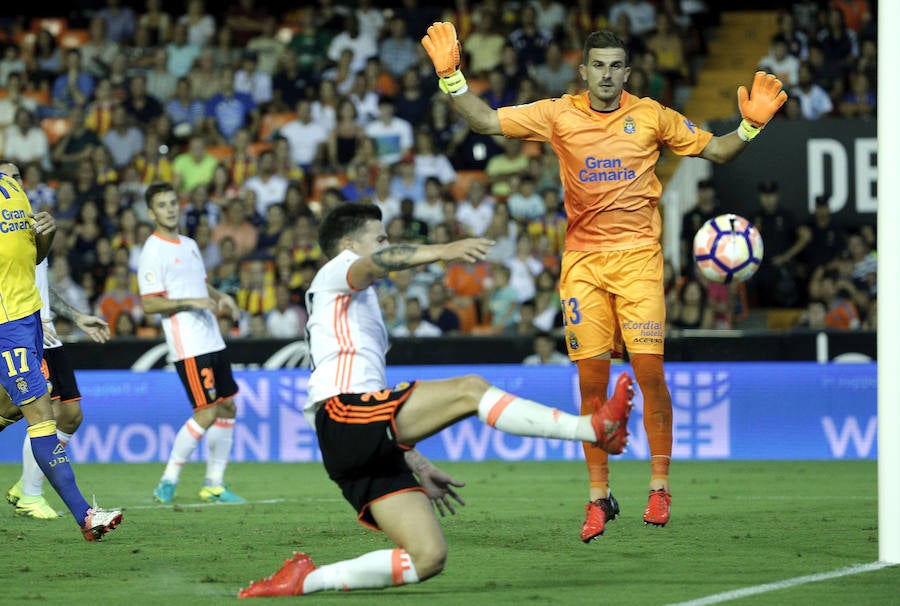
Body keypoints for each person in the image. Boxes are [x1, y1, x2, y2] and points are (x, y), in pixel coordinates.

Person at [419, 23, 787, 539]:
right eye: (599, 65)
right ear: (584, 71)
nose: (607, 74)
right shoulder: (558, 113)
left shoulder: (653, 116)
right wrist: (451, 76)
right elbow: (483, 121)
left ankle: (659, 485)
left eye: (616, 66)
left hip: (638, 260)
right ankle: (598, 497)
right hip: (583, 265)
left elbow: (718, 152)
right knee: (591, 383)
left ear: (627, 72)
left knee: (648, 370)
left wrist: (749, 128)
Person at [237, 202, 634, 598]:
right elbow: (377, 263)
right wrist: (444, 250)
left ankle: (305, 579)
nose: (386, 243)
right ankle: (592, 428)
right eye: (379, 238)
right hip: (344, 411)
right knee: (470, 390)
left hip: (353, 432)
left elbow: (372, 418)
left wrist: (416, 461)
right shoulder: (335, 272)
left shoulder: (357, 304)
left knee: (427, 558)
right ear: (347, 244)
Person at [0, 163, 122, 540]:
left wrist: (47, 237)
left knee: (7, 408)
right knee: (43, 415)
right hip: (7, 326)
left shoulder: (12, 189)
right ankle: (86, 516)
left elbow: (31, 259)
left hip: (31, 320)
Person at [138, 181, 246, 504]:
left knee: (228, 406)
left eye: (173, 203)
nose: (170, 209)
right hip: (189, 344)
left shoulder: (188, 244)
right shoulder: (152, 251)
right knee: (207, 412)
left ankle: (214, 483)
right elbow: (149, 304)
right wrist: (190, 303)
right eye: (162, 205)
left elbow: (200, 284)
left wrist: (220, 296)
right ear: (150, 212)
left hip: (212, 338)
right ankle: (167, 481)